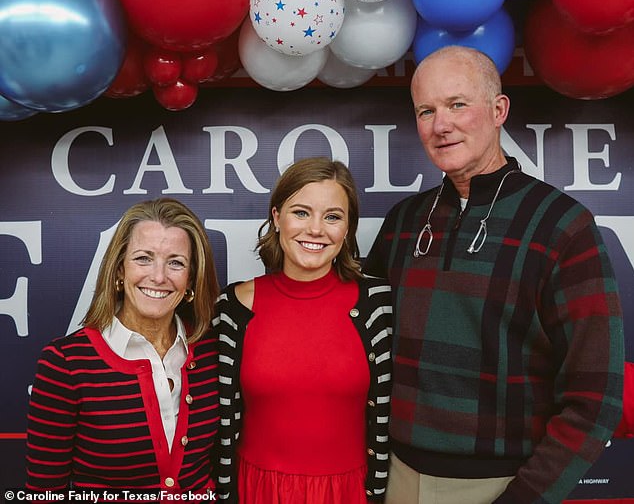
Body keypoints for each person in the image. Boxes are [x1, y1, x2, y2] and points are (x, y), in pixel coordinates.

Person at [363, 45, 625, 504]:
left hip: (502, 484)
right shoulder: (403, 222)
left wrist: (525, 497)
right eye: (426, 110)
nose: (441, 125)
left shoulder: (562, 225)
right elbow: (358, 347)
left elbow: (595, 397)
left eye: (457, 104)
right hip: (395, 478)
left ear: (498, 109)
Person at [212, 157, 392, 503]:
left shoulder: (377, 305)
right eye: (301, 212)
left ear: (348, 228)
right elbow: (220, 420)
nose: (316, 229)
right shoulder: (233, 307)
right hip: (257, 491)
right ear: (277, 217)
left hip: (349, 492)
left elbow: (385, 418)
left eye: (333, 217)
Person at [26, 198, 220, 492]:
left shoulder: (211, 351)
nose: (158, 276)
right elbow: (44, 492)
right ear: (119, 270)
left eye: (176, 263)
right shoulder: (66, 363)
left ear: (191, 279)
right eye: (143, 258)